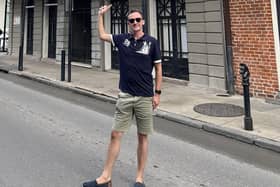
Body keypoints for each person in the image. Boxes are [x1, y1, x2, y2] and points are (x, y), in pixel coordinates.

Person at [82, 4, 162, 187]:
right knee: (115, 134)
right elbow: (102, 36)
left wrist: (157, 94)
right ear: (128, 24)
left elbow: (158, 69)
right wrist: (100, 15)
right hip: (125, 95)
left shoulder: (152, 42)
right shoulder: (122, 39)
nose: (135, 23)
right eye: (131, 20)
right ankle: (106, 177)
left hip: (144, 96)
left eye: (137, 20)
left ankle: (139, 179)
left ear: (143, 22)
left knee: (142, 136)